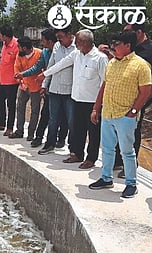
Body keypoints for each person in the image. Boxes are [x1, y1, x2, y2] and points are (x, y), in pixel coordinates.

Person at [89, 30, 151, 198]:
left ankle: (131, 183)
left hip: (125, 117)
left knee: (127, 151)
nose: (113, 47)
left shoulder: (141, 65)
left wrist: (133, 111)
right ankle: (106, 177)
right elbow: (104, 86)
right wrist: (96, 108)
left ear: (128, 46)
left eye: (117, 44)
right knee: (107, 149)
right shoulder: (112, 63)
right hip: (108, 114)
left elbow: (146, 91)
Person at [42, 29, 108, 169]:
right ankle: (77, 154)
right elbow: (61, 64)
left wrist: (98, 106)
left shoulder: (100, 58)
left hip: (92, 102)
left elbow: (105, 83)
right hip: (76, 99)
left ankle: (91, 158)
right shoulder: (76, 54)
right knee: (77, 129)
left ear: (84, 42)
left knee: (93, 132)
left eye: (77, 41)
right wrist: (45, 75)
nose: (75, 43)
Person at [15, 28, 67, 148]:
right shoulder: (45, 52)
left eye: (43, 40)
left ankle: (61, 138)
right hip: (50, 87)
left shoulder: (62, 51)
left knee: (63, 115)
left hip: (64, 88)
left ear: (49, 41)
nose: (42, 43)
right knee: (46, 114)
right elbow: (39, 67)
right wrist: (23, 74)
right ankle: (39, 137)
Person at [113, 24, 152, 178]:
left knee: (133, 130)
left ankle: (130, 165)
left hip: (141, 97)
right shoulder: (131, 48)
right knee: (118, 128)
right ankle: (118, 160)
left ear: (139, 32)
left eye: (128, 32)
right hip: (123, 95)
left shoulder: (148, 51)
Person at [38, 26, 76, 155]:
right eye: (57, 38)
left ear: (69, 34)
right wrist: (45, 84)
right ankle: (50, 144)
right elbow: (51, 66)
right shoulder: (56, 47)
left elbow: (64, 65)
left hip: (70, 91)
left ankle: (73, 149)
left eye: (61, 37)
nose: (59, 40)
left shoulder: (77, 48)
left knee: (71, 120)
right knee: (53, 119)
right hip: (54, 89)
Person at [9, 37, 42, 140]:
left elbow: (41, 69)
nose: (17, 49)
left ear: (24, 48)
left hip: (36, 87)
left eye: (19, 47)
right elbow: (16, 68)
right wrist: (20, 81)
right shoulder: (20, 55)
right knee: (20, 108)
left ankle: (31, 133)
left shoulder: (39, 54)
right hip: (23, 85)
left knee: (35, 110)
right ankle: (19, 131)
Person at [0, 25, 19, 136]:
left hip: (12, 81)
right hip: (3, 80)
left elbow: (18, 63)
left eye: (0, 34)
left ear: (5, 36)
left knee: (11, 105)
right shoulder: (4, 45)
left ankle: (10, 127)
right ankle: (1, 123)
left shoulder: (16, 45)